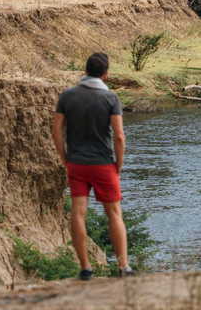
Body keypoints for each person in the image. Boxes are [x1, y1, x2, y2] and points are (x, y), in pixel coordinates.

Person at [52, 53, 134, 280]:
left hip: (76, 163)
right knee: (114, 214)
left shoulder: (67, 96)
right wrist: (119, 163)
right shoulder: (110, 98)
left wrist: (64, 156)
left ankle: (85, 267)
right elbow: (119, 136)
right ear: (106, 74)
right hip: (103, 164)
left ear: (85, 70)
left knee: (78, 213)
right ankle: (123, 266)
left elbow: (57, 129)